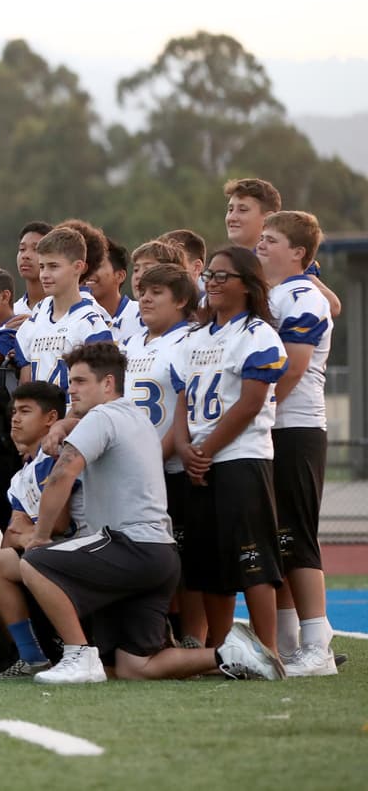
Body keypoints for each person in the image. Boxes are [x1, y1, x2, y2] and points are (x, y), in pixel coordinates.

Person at [20, 343, 284, 683]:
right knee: (135, 667)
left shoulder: (103, 416)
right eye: (71, 381)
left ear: (108, 383)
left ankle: (78, 656)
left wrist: (40, 537)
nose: (71, 388)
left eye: (81, 381)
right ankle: (228, 654)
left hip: (129, 546)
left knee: (35, 563)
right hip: (159, 556)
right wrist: (64, 425)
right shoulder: (135, 417)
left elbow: (61, 476)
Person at [172, 247, 288, 654]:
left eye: (224, 276)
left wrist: (205, 448)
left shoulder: (258, 334)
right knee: (209, 564)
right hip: (201, 461)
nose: (214, 283)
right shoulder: (193, 338)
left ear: (248, 283)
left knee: (253, 559)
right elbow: (183, 402)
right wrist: (185, 448)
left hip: (241, 457)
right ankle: (222, 651)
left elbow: (251, 402)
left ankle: (268, 649)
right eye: (211, 276)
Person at [255, 212, 337, 676]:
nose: (261, 245)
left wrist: (257, 412)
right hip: (272, 426)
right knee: (275, 536)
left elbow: (293, 366)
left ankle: (317, 644)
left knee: (295, 536)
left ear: (300, 253)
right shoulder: (274, 293)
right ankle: (288, 642)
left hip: (294, 426)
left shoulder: (304, 295)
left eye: (271, 239)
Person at [0, 382, 84, 679]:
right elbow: (12, 531)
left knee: (5, 561)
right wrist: (29, 535)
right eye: (14, 412)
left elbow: (59, 524)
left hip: (83, 546)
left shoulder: (60, 455)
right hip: (49, 550)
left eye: (25, 411)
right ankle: (31, 657)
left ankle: (54, 647)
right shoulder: (22, 473)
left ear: (51, 418)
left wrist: (29, 534)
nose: (15, 419)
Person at [120, 263, 200, 645]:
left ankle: (194, 638)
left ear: (182, 299)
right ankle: (161, 633)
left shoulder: (189, 341)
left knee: (184, 558)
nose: (145, 298)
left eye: (157, 292)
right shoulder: (133, 342)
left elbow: (183, 408)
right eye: (143, 291)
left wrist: (154, 457)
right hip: (133, 468)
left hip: (168, 467)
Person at [14, 227, 113, 391]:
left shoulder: (90, 323)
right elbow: (25, 372)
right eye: (42, 266)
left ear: (78, 267)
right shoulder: (38, 314)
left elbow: (101, 388)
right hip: (42, 414)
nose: (44, 274)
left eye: (53, 266)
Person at [224, 178, 341, 316]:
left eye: (242, 210)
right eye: (230, 209)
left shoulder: (285, 258)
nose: (232, 217)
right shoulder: (232, 260)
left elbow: (332, 306)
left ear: (268, 218)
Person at [88, 238, 142, 345]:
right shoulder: (75, 319)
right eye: (86, 266)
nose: (87, 273)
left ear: (120, 276)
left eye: (97, 266)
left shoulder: (142, 316)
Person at [14, 221, 52, 316]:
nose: (25, 256)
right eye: (22, 249)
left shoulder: (64, 310)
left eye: (36, 249)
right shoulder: (14, 312)